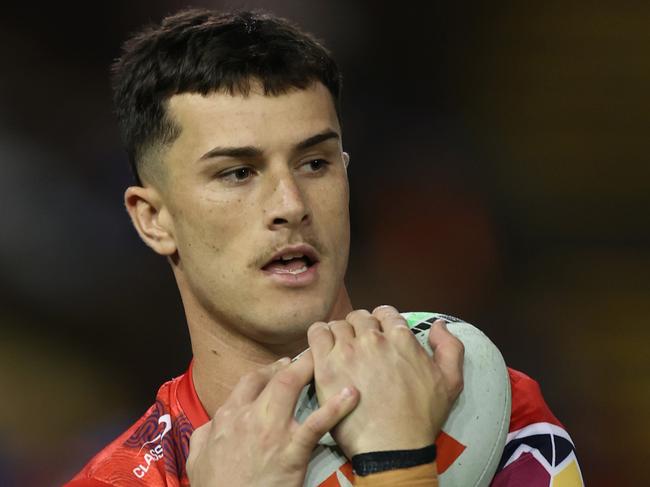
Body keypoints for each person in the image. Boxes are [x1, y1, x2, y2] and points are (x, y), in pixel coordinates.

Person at [66, 8, 584, 487]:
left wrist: (398, 462)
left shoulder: (486, 409)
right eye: (238, 173)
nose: (291, 204)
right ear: (153, 219)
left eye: (315, 163)